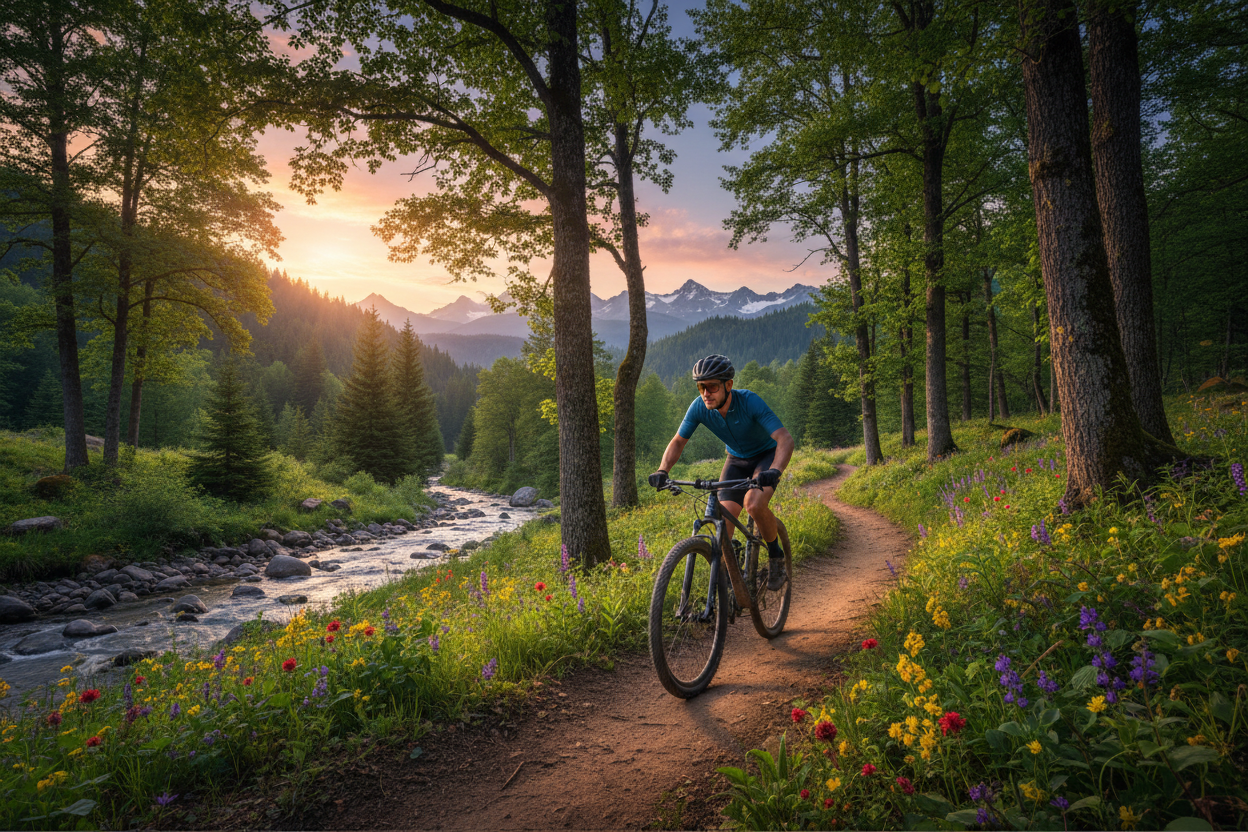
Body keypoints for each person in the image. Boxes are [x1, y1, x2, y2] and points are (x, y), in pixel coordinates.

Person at [648, 354, 795, 591]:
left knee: (754, 504)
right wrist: (663, 470)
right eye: (701, 387)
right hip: (736, 459)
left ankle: (776, 556)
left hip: (766, 456)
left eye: (712, 386)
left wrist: (775, 470)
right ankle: (732, 578)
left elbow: (784, 439)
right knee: (723, 519)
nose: (706, 393)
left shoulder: (750, 402)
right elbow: (678, 441)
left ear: (729, 385)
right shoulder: (699, 407)